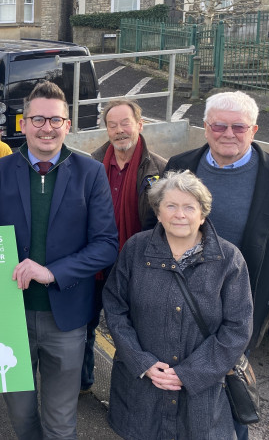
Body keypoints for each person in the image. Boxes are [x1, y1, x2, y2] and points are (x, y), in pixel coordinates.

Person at [0, 81, 118, 440]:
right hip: (11, 317)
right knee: (23, 419)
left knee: (60, 423)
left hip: (66, 320)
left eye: (56, 120)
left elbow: (105, 245)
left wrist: (52, 272)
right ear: (23, 124)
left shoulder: (90, 173)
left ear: (68, 125)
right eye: (38, 119)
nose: (47, 128)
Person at [165, 91, 269, 439]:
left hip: (240, 309)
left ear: (254, 129)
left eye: (238, 126)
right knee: (173, 389)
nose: (228, 133)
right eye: (218, 125)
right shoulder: (178, 167)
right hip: (176, 304)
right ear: (205, 128)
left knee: (228, 394)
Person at [103, 170, 253, 440]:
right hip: (142, 389)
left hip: (201, 395)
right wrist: (142, 362)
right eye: (170, 205)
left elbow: (238, 328)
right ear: (158, 213)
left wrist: (190, 373)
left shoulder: (229, 260)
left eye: (189, 207)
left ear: (203, 214)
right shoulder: (136, 250)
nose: (179, 214)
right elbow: (115, 308)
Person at [82, 99, 166, 393]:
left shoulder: (160, 170)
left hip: (135, 269)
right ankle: (82, 383)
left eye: (125, 123)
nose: (119, 131)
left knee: (131, 335)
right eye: (112, 125)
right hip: (94, 265)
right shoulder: (89, 165)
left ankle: (127, 396)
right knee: (85, 326)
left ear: (140, 125)